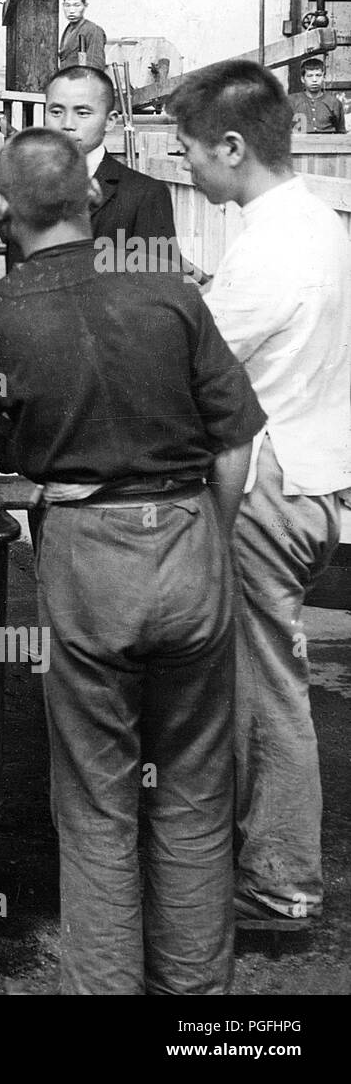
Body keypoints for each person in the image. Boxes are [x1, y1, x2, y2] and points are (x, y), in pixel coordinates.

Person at [0, 128, 264, 994]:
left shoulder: (0, 309)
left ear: (4, 213)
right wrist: (207, 535)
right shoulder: (170, 292)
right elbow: (236, 442)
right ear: (91, 200)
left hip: (89, 560)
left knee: (97, 807)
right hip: (189, 544)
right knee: (196, 800)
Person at [169, 60, 351, 933]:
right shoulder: (317, 223)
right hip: (312, 468)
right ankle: (248, 859)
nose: (188, 168)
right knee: (252, 675)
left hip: (269, 484)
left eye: (192, 153)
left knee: (267, 680)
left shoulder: (273, 249)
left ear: (233, 146)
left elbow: (189, 363)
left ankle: (282, 884)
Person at [43, 65, 194, 273]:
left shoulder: (145, 195)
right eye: (56, 111)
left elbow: (159, 290)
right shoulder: (26, 188)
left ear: (110, 121)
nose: (67, 124)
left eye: (83, 113)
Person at [287, 56, 346, 134]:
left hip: (328, 144)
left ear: (324, 77)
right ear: (302, 79)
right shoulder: (291, 101)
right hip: (300, 144)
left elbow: (341, 132)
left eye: (318, 75)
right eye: (310, 76)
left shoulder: (334, 103)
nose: (314, 80)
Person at [57, 0, 107, 70]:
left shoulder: (94, 30)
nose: (71, 11)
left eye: (77, 5)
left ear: (85, 5)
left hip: (81, 81)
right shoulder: (68, 30)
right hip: (65, 80)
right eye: (67, 5)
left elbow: (94, 68)